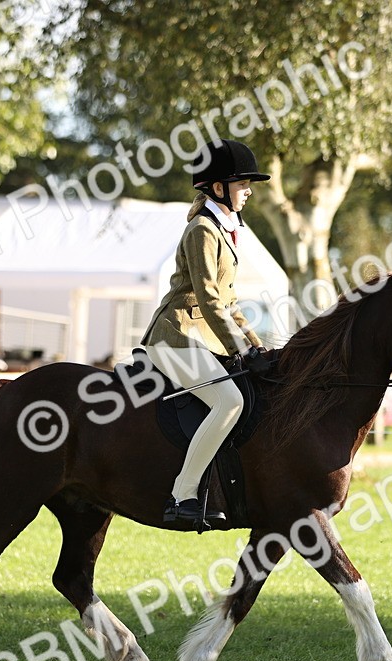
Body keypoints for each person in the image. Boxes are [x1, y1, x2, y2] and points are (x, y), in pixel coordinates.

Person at [140, 139, 273, 530]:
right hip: (174, 336)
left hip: (200, 339)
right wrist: (239, 350)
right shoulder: (202, 230)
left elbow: (231, 304)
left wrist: (258, 344)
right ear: (219, 188)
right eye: (242, 184)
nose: (249, 191)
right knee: (229, 401)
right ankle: (183, 494)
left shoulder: (224, 230)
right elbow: (209, 299)